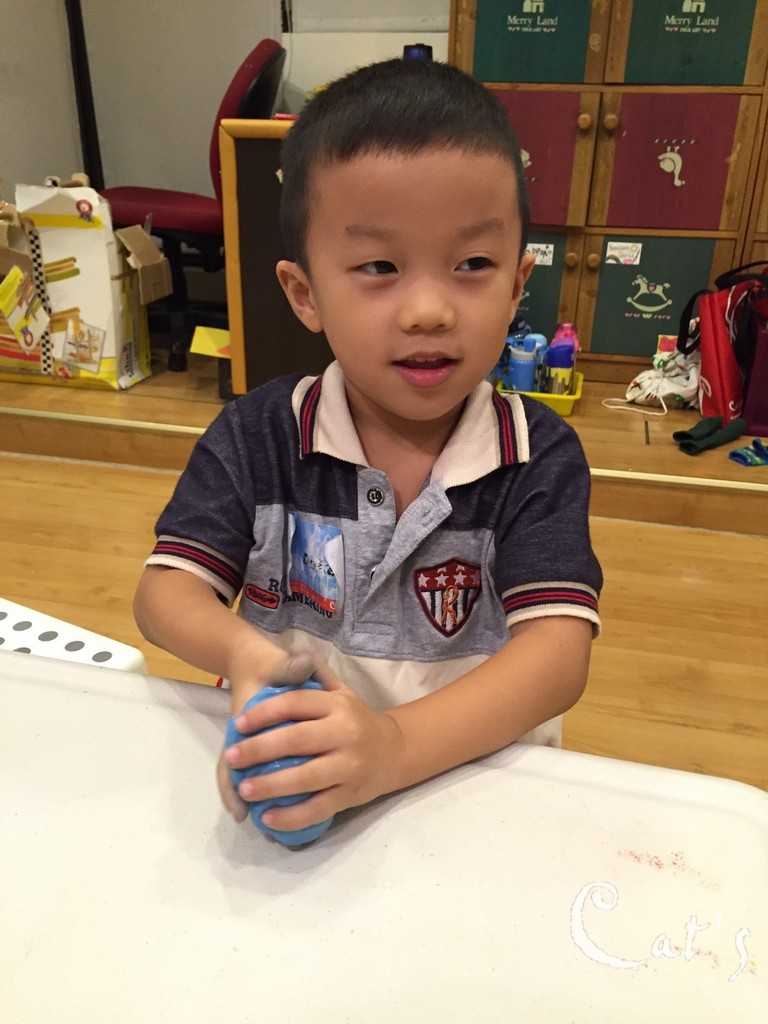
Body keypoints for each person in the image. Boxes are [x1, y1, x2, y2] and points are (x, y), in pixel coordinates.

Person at [133, 57, 602, 838]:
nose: (428, 310)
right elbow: (164, 593)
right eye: (380, 267)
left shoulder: (537, 454)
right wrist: (248, 658)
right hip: (312, 790)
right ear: (305, 293)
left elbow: (557, 656)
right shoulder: (258, 435)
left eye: (473, 265)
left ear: (519, 283)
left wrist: (393, 747)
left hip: (478, 795)